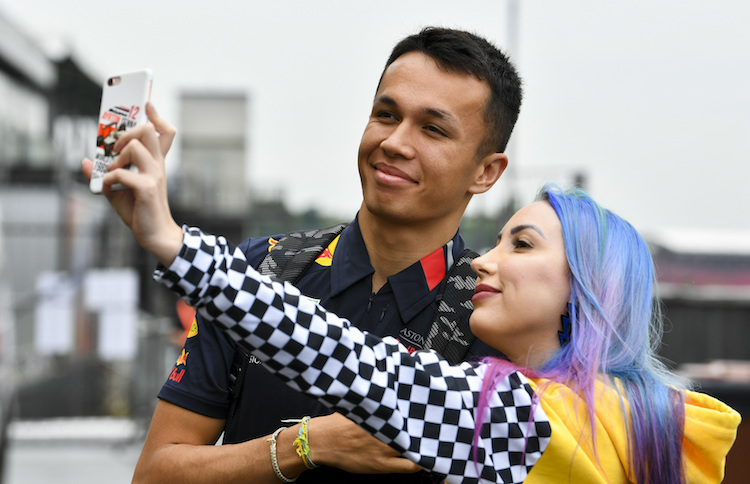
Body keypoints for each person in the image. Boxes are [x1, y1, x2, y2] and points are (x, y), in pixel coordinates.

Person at [82, 26, 522, 482]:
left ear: (486, 171)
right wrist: (300, 447)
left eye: (432, 129)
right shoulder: (258, 271)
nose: (394, 142)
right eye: (386, 115)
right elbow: (155, 473)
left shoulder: (493, 312)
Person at [121, 181, 741, 483]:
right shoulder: (655, 420)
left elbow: (335, 355)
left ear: (584, 291)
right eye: (497, 240)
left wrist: (173, 245)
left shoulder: (511, 416)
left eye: (521, 245)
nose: (483, 261)